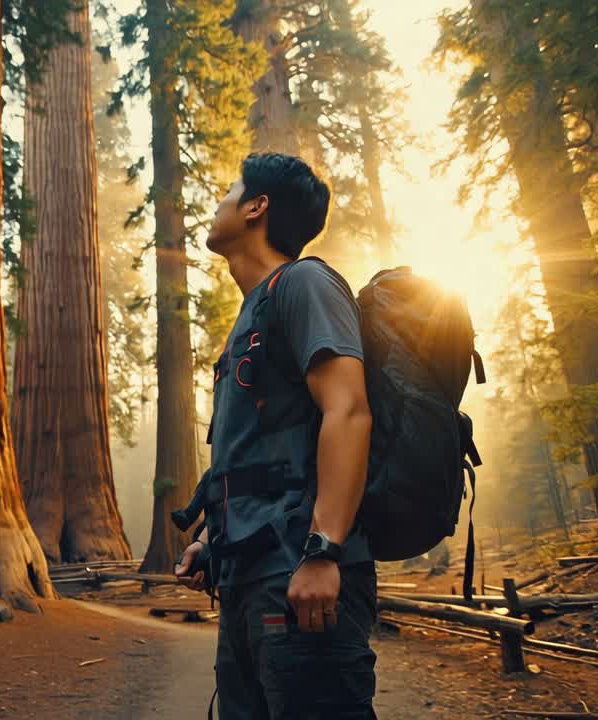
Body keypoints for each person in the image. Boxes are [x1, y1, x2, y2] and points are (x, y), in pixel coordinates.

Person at [174, 152, 377, 719]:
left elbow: (350, 411)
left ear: (257, 207)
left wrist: (324, 551)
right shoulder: (250, 317)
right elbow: (264, 452)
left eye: (229, 190)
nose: (218, 203)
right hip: (249, 579)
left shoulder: (305, 283)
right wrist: (214, 542)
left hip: (301, 576)